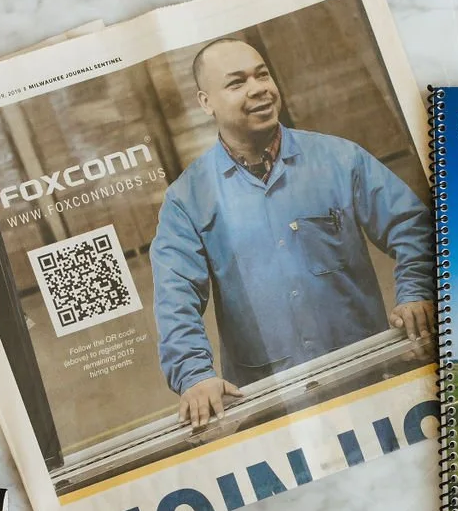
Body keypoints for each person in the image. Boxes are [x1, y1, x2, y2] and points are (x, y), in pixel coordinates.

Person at [150, 37, 435, 428]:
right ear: (205, 102)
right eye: (236, 83)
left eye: (262, 74)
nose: (258, 89)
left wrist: (416, 291)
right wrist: (194, 374)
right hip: (270, 402)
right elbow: (175, 296)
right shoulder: (186, 200)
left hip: (371, 373)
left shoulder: (339, 159)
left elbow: (412, 226)